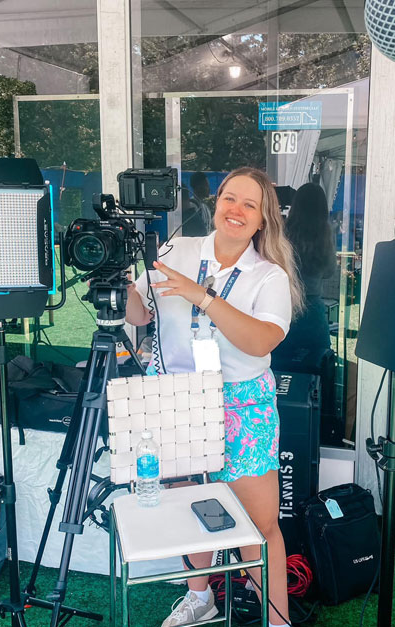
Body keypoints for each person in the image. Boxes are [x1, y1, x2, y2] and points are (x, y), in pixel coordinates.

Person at [126, 167, 303, 627]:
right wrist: (116, 281)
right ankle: (200, 598)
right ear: (216, 203)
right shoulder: (176, 251)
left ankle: (276, 619)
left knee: (258, 526)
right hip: (179, 398)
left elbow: (260, 341)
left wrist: (200, 296)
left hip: (241, 404)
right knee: (193, 509)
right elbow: (140, 315)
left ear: (264, 219)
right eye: (229, 198)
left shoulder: (270, 276)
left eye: (250, 204)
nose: (236, 210)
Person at [272, 182, 334, 369]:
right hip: (313, 310)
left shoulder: (282, 232)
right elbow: (329, 271)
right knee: (317, 369)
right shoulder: (324, 234)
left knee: (280, 370)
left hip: (284, 307)